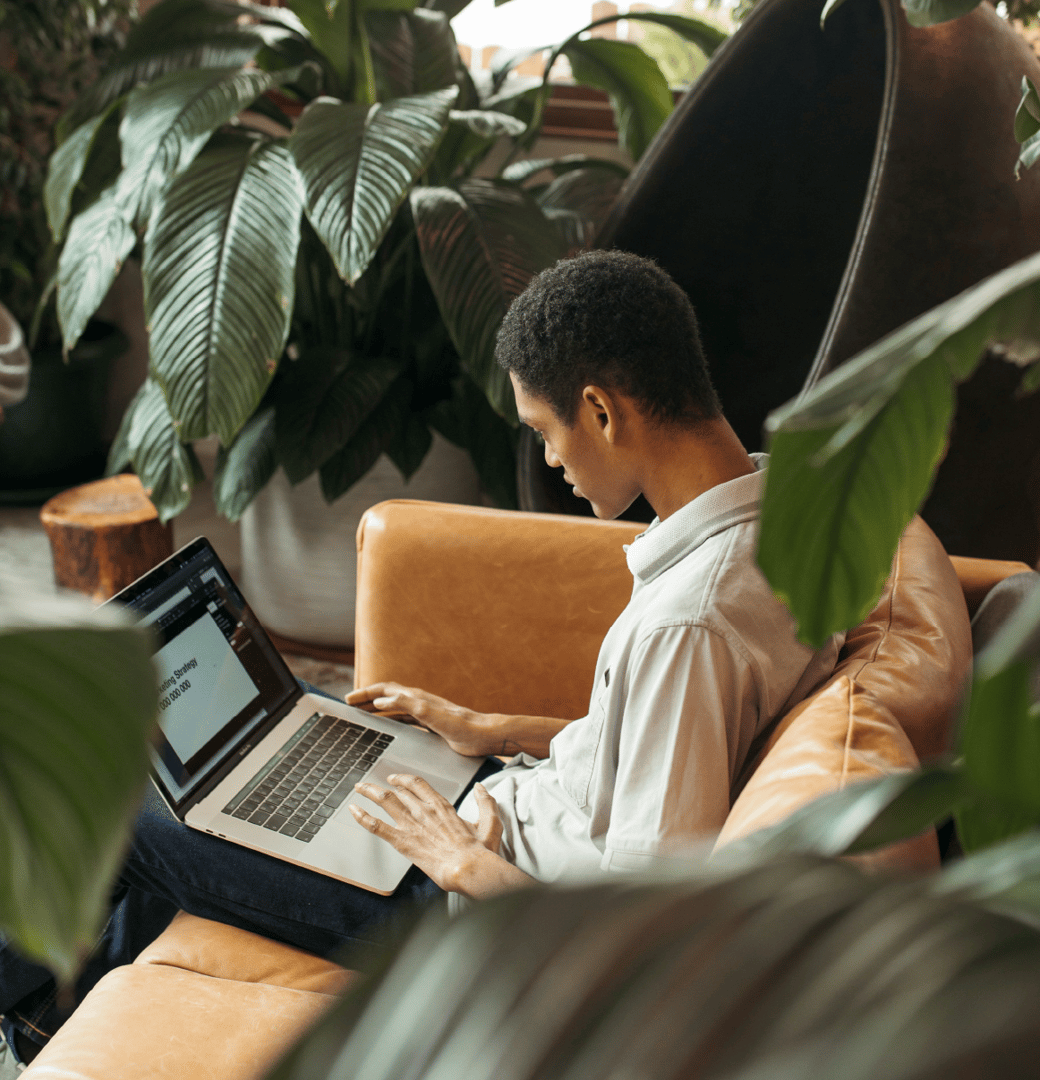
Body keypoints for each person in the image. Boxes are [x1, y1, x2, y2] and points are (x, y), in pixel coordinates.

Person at [0, 250, 839, 1064]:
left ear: (602, 411)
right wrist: (492, 727)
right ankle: (61, 1023)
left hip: (459, 902)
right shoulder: (775, 525)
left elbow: (630, 924)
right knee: (208, 806)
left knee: (122, 808)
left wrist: (456, 859)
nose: (551, 460)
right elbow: (652, 749)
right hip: (498, 806)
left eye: (547, 432)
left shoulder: (688, 627)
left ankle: (33, 1022)